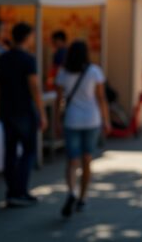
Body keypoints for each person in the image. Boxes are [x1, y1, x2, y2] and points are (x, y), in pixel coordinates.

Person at [53, 40, 110, 217]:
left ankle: (72, 191)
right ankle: (83, 197)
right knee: (87, 160)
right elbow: (101, 98)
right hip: (91, 120)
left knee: (72, 161)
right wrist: (106, 120)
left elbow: (58, 99)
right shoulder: (94, 71)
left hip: (72, 120)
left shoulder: (63, 72)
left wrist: (56, 120)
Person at [0, 23, 47, 207]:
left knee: (10, 152)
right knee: (28, 152)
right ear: (27, 37)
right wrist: (42, 113)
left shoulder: (3, 58)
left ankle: (12, 192)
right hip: (24, 111)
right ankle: (20, 191)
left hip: (7, 111)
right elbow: (34, 87)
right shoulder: (28, 59)